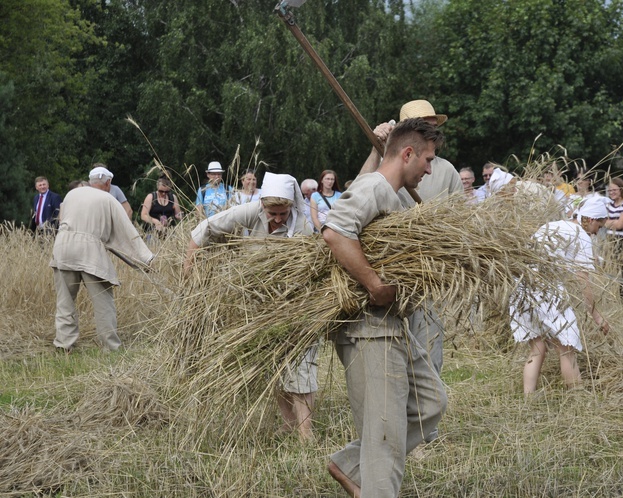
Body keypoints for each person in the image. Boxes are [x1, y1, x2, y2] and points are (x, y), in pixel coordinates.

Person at [323, 118, 448, 497]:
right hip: (369, 329)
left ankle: (350, 463)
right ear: (407, 153)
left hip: (394, 326)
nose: (430, 168)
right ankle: (373, 478)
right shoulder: (376, 186)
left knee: (431, 403)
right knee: (385, 438)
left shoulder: (392, 194)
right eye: (427, 159)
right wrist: (375, 285)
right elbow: (335, 230)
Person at [184, 173, 318, 441]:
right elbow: (205, 230)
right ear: (262, 206)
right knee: (274, 362)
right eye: (272, 213)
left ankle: (306, 433)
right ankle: (289, 423)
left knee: (301, 365)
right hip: (260, 302)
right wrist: (189, 268)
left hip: (296, 303)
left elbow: (306, 274)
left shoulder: (302, 227)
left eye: (283, 213)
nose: (278, 219)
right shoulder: (249, 211)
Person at [511, 196, 610, 394]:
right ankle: (578, 401)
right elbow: (583, 279)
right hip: (546, 292)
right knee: (566, 348)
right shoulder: (581, 235)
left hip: (522, 287)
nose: (599, 231)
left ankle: (527, 399)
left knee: (537, 348)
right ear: (590, 220)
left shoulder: (554, 225)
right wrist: (595, 314)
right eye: (600, 224)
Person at [50, 166, 154, 353]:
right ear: (108, 183)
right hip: (90, 252)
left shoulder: (71, 195)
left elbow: (62, 218)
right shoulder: (108, 199)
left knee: (65, 301)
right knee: (103, 302)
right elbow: (128, 233)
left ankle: (64, 345)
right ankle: (110, 347)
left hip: (63, 248)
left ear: (90, 180)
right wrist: (147, 259)